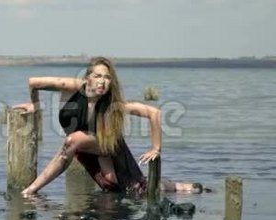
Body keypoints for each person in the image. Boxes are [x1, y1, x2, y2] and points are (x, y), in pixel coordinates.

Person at [13, 56, 204, 196]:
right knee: (111, 184)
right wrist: (35, 105)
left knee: (135, 189)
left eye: (107, 77)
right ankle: (174, 186)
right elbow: (33, 82)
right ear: (88, 77)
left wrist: (156, 148)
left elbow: (154, 113)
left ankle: (179, 187)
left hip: (104, 145)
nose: (102, 81)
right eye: (97, 76)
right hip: (84, 147)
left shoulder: (114, 104)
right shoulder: (72, 87)